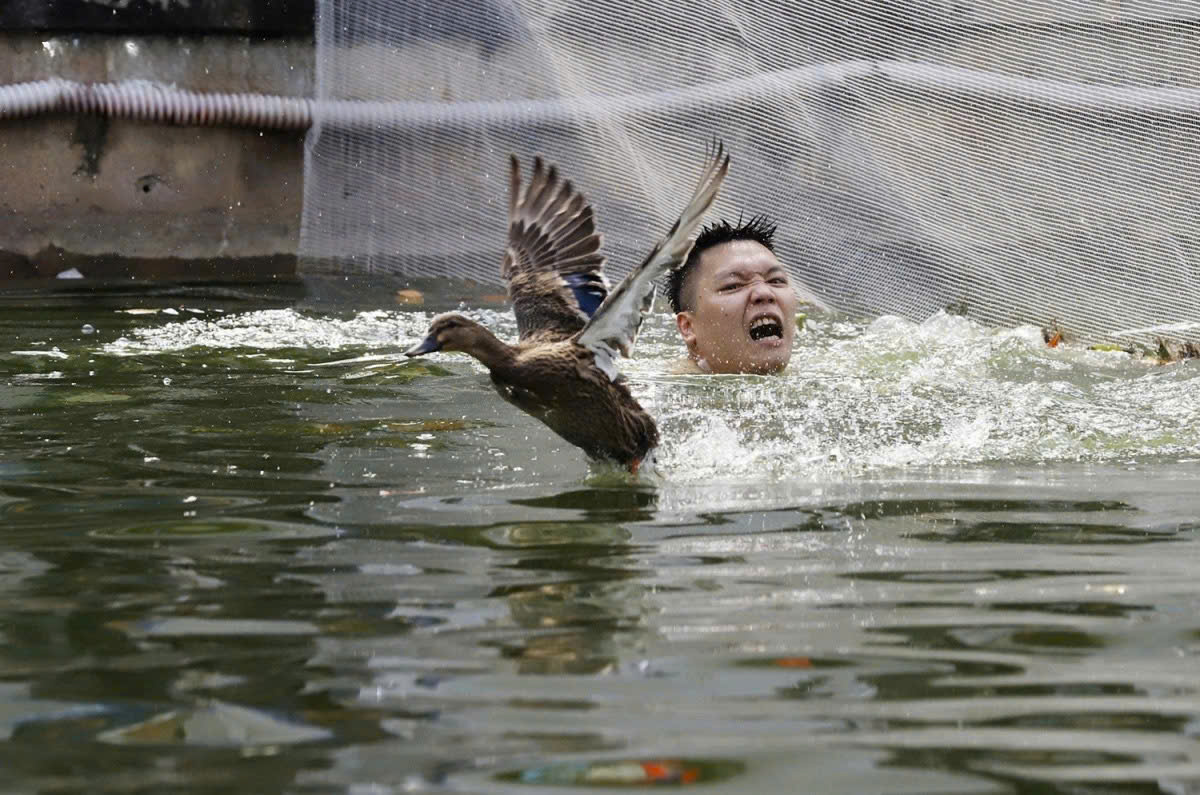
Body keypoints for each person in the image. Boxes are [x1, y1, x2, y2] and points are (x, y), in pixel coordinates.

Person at [666, 215, 799, 374]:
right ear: (688, 327)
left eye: (776, 280)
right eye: (733, 285)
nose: (764, 292)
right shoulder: (652, 392)